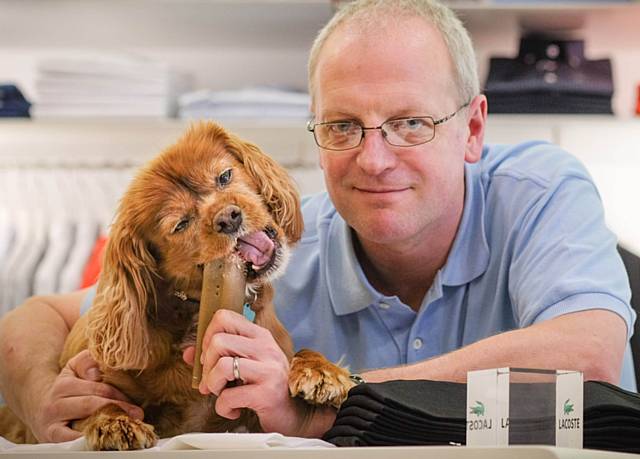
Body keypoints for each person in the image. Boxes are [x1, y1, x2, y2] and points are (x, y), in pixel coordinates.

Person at [0, 0, 635, 443]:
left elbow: (591, 363)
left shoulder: (541, 191)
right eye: (342, 126)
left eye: (411, 122)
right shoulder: (270, 247)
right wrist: (39, 398)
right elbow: (38, 318)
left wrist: (329, 401)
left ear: (471, 129)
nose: (375, 159)